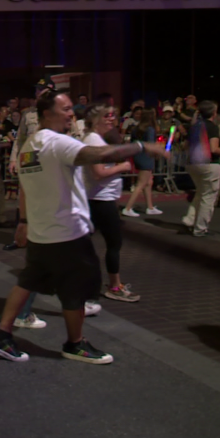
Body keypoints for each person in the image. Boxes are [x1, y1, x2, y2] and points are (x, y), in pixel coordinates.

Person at [0, 92, 167, 364]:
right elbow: (101, 154)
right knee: (75, 290)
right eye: (66, 109)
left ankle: (2, 334)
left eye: (72, 109)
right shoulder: (59, 143)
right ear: (47, 114)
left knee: (27, 282)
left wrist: (24, 223)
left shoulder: (30, 146)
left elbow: (25, 188)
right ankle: (75, 344)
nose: (72, 114)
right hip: (67, 231)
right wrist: (141, 147)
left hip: (42, 231)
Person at [82, 105, 139, 302]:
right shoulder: (93, 141)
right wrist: (122, 167)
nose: (111, 120)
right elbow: (98, 173)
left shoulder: (97, 139)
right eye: (106, 116)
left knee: (85, 243)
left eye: (113, 116)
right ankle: (114, 286)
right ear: (95, 119)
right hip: (99, 200)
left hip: (102, 199)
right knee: (113, 243)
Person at [182, 100, 220, 237]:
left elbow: (186, 145)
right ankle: (200, 228)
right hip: (209, 163)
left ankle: (190, 219)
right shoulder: (212, 127)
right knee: (208, 197)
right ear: (214, 112)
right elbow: (214, 149)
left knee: (200, 192)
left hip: (192, 163)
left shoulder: (194, 126)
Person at [122, 109, 162, 217]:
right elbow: (150, 145)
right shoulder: (150, 129)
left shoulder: (136, 129)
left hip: (138, 156)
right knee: (141, 183)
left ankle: (150, 207)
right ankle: (128, 208)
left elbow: (133, 143)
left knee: (148, 182)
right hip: (146, 158)